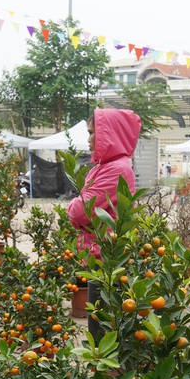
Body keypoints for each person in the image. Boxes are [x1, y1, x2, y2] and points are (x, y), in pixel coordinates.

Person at [67, 108, 140, 340]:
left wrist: (73, 205)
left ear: (108, 135)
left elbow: (80, 212)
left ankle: (107, 375)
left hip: (108, 262)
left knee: (102, 335)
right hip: (100, 258)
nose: (88, 140)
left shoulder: (116, 169)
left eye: (92, 133)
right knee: (100, 329)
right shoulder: (105, 166)